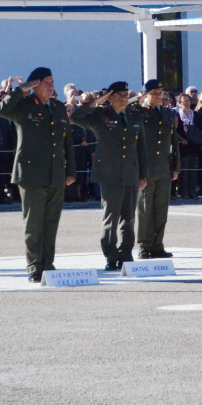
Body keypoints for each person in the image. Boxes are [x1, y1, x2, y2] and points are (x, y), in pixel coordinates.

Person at [0, 68, 76, 282]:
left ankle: (48, 264)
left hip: (55, 173)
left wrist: (70, 171)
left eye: (52, 82)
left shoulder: (58, 108)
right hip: (31, 174)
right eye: (46, 83)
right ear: (35, 85)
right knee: (33, 225)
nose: (51, 86)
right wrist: (20, 89)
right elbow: (2, 110)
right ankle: (34, 267)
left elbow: (66, 141)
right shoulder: (23, 106)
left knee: (51, 223)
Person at [71, 82, 148, 270]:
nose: (124, 98)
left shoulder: (134, 115)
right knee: (111, 218)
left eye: (125, 95)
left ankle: (126, 253)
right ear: (110, 97)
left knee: (129, 218)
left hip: (130, 172)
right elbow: (75, 117)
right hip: (109, 174)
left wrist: (143, 174)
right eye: (119, 95)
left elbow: (141, 148)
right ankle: (111, 256)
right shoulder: (100, 115)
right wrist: (97, 101)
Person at [128, 79, 180, 259]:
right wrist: (139, 98)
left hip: (164, 169)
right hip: (146, 169)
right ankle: (144, 245)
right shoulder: (139, 111)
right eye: (155, 93)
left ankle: (158, 246)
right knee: (144, 210)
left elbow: (173, 142)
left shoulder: (167, 114)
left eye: (161, 93)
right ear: (146, 94)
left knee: (161, 210)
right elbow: (127, 107)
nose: (160, 96)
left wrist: (176, 166)